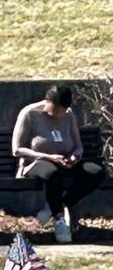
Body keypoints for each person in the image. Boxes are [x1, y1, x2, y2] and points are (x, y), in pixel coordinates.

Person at [12, 85, 105, 242]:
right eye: (56, 110)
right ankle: (58, 218)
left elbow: (78, 146)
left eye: (63, 111)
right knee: (52, 175)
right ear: (47, 102)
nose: (59, 115)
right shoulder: (29, 114)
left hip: (64, 162)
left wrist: (75, 157)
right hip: (37, 163)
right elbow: (17, 150)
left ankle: (60, 203)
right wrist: (47, 156)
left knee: (97, 172)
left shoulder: (68, 115)